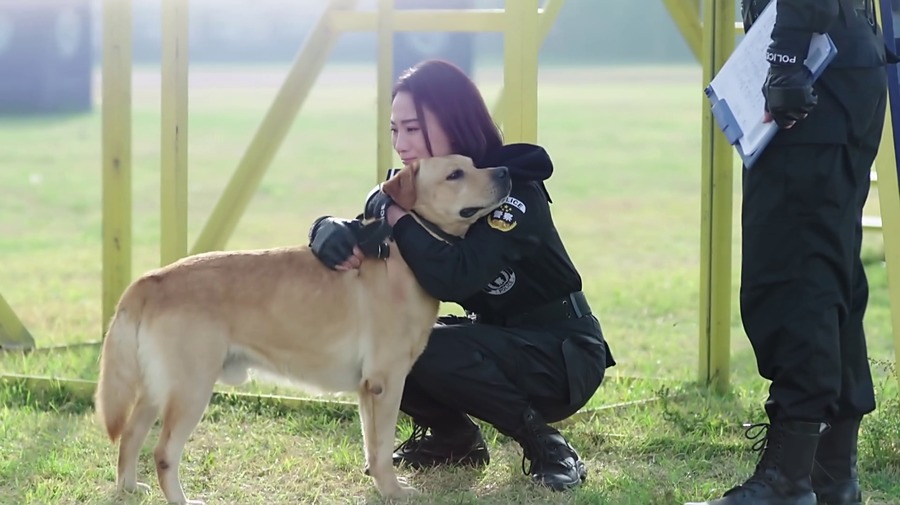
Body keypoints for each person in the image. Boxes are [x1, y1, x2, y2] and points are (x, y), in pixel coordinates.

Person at [306, 59, 615, 491]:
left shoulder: (510, 187)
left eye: (413, 128)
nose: (401, 143)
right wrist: (326, 229)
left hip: (560, 351)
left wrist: (392, 210)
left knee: (422, 345)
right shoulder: (428, 188)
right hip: (491, 337)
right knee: (376, 340)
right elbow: (370, 222)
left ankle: (547, 445)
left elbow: (456, 276)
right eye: (395, 130)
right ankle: (453, 438)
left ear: (453, 121)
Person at [687, 1, 896, 504]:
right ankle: (831, 472)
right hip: (837, 57)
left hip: (812, 60)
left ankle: (788, 478)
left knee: (795, 270)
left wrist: (784, 57)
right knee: (830, 269)